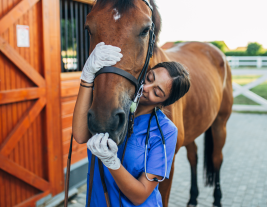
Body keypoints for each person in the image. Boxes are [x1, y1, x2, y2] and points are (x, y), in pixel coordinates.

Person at [72, 42, 190, 206]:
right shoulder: (111, 104)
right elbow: (79, 135)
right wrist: (87, 76)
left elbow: (140, 195)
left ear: (164, 102)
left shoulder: (166, 132)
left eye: (157, 92)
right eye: (149, 77)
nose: (146, 87)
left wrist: (112, 163)